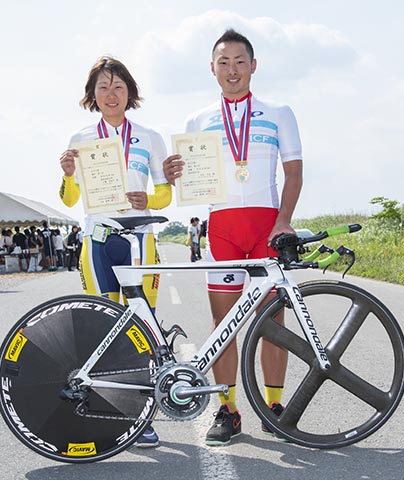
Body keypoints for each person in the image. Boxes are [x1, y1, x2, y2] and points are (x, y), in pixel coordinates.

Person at [163, 29, 303, 446]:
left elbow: (293, 172)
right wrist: (173, 176)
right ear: (212, 69)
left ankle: (274, 408)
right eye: (223, 63)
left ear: (253, 66)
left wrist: (284, 220)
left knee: (272, 321)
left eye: (240, 61)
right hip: (221, 228)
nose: (232, 70)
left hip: (266, 228)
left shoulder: (279, 112)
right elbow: (188, 183)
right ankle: (229, 411)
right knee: (224, 324)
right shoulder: (197, 120)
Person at [58, 55, 171, 448]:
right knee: (104, 325)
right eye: (103, 87)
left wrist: (150, 196)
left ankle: (144, 413)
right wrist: (69, 175)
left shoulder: (150, 137)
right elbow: (71, 199)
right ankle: (118, 414)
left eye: (118, 87)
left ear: (130, 93)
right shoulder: (80, 138)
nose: (111, 94)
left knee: (141, 325)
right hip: (99, 238)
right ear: (92, 94)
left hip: (140, 241)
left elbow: (165, 191)